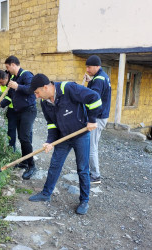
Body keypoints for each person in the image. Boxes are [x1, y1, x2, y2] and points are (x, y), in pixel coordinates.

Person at [28, 73, 102, 215]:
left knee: (82, 168)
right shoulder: (45, 103)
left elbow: (95, 98)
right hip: (63, 137)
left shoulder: (68, 88)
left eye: (37, 93)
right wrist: (50, 141)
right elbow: (51, 124)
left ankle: (84, 200)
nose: (36, 96)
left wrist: (92, 119)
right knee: (55, 164)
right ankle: (45, 193)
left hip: (80, 134)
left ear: (45, 87)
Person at [3, 55, 37, 180]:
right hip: (19, 111)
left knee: (24, 137)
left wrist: (17, 86)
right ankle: (24, 161)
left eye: (7, 67)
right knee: (21, 137)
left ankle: (32, 165)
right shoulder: (14, 78)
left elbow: (31, 89)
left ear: (13, 64)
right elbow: (11, 96)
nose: (7, 70)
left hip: (29, 110)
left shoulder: (27, 75)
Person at [83, 55, 111, 184]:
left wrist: (91, 120)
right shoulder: (102, 76)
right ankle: (92, 172)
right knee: (92, 145)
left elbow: (93, 98)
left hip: (97, 118)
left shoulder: (99, 80)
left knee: (91, 147)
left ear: (96, 66)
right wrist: (90, 81)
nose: (87, 70)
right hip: (101, 116)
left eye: (89, 67)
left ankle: (95, 176)